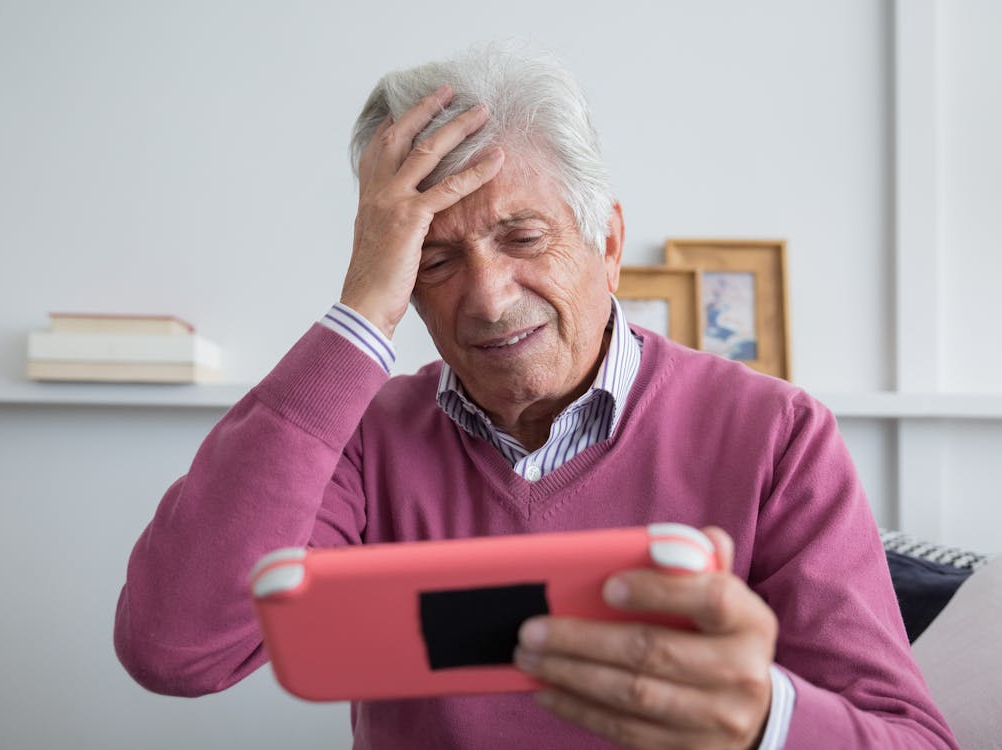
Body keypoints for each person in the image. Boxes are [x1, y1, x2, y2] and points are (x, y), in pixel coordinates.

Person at [114, 45, 957, 750]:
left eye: (523, 237)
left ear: (609, 244)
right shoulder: (365, 442)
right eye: (434, 262)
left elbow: (910, 737)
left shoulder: (774, 432)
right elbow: (174, 649)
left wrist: (765, 719)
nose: (486, 297)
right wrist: (359, 310)